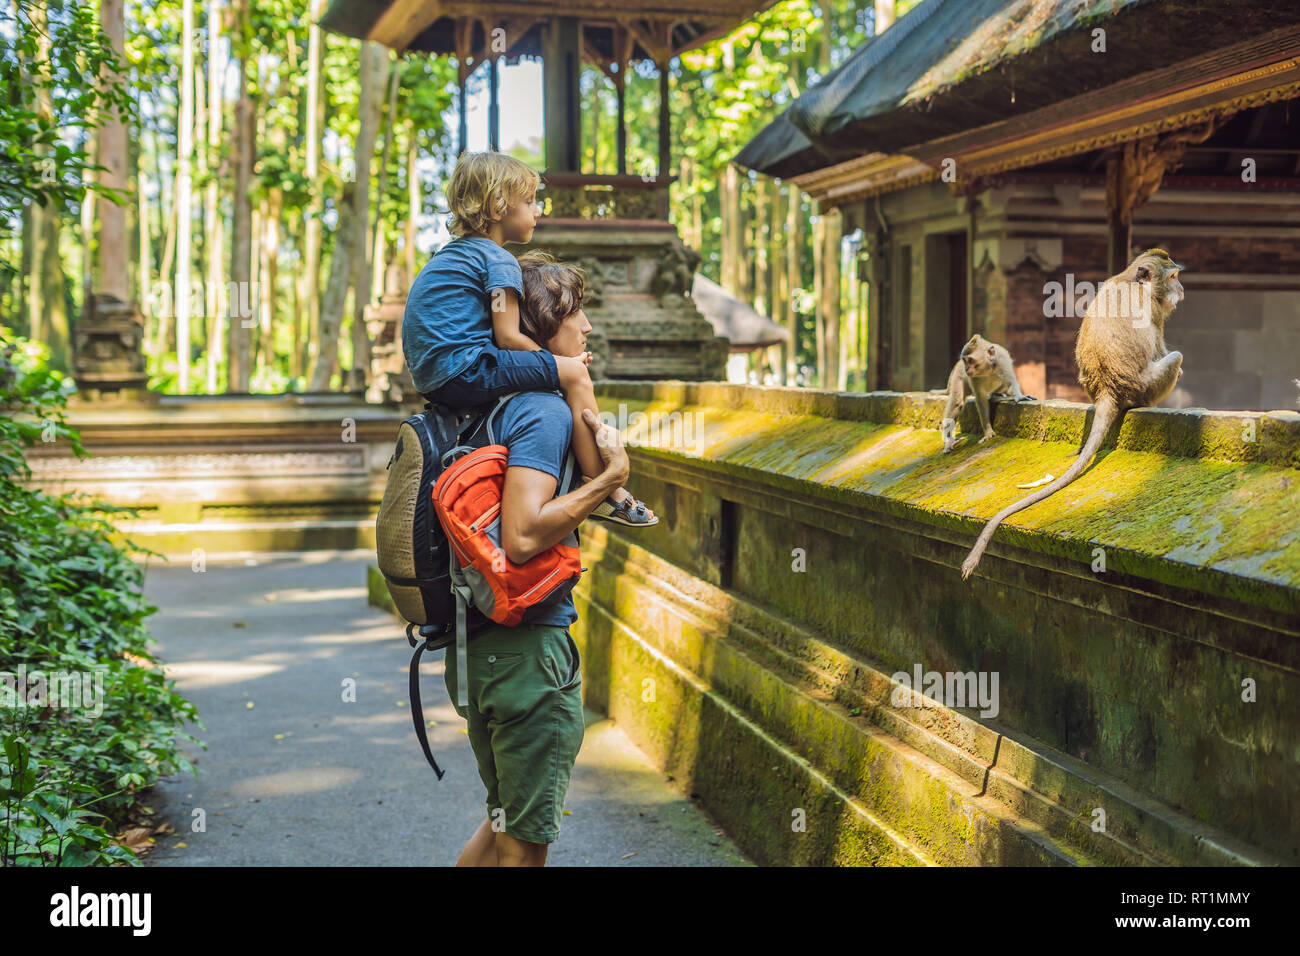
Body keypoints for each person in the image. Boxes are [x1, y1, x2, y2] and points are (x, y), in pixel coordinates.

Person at [443, 287, 629, 867]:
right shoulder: (542, 411)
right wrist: (610, 478)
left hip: (475, 647)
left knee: (503, 820)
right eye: (576, 314)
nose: (589, 327)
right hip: (525, 654)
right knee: (523, 844)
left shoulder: (486, 408)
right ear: (543, 330)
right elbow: (523, 536)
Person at [402, 150, 655, 526]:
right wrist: (556, 366)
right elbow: (507, 336)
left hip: (435, 378)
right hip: (466, 367)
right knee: (574, 375)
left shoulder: (452, 256)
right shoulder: (499, 261)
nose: (538, 211)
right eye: (530, 201)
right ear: (498, 206)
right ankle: (603, 485)